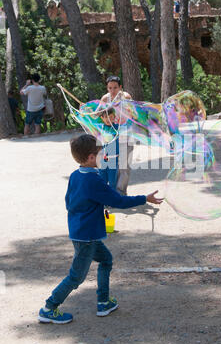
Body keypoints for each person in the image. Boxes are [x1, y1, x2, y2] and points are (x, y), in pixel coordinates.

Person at [38, 134, 163, 324]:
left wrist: (92, 207)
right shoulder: (93, 181)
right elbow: (119, 201)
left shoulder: (76, 175)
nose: (104, 155)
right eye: (100, 153)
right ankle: (49, 307)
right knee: (76, 277)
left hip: (82, 232)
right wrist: (144, 198)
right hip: (86, 236)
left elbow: (69, 202)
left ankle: (103, 302)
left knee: (106, 260)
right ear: (90, 158)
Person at [101, 76, 133, 196]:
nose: (112, 90)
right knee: (110, 164)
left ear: (120, 87)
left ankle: (120, 192)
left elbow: (133, 114)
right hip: (110, 136)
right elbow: (98, 115)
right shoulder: (105, 98)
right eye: (110, 88)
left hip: (125, 133)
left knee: (124, 165)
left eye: (115, 87)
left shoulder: (126, 97)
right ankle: (112, 192)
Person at [98, 107, 119, 190]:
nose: (108, 119)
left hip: (113, 159)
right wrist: (83, 109)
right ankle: (103, 200)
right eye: (106, 117)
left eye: (111, 117)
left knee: (112, 183)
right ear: (102, 118)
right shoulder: (100, 127)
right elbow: (88, 119)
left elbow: (129, 124)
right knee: (102, 182)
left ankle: (113, 201)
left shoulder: (117, 128)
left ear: (114, 118)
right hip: (102, 159)